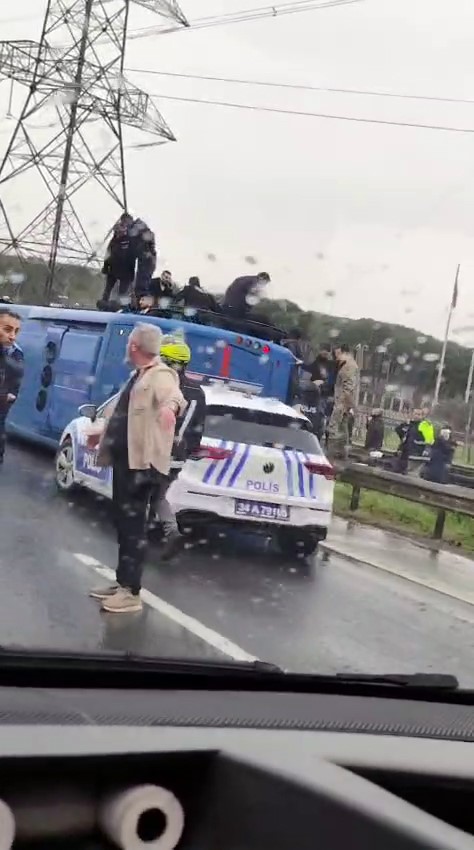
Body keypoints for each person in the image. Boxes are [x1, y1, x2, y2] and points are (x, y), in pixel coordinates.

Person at [88, 323, 186, 613]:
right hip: (126, 460)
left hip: (141, 466)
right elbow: (125, 414)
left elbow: (174, 397)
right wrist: (103, 434)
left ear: (133, 346)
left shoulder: (160, 374)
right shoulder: (138, 375)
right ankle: (122, 583)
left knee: (132, 526)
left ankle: (131, 592)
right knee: (122, 522)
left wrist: (170, 410)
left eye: (128, 341)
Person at [150, 332, 207, 559]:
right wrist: (188, 450)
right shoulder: (198, 392)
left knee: (143, 493)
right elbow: (198, 427)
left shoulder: (161, 385)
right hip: (178, 455)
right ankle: (169, 531)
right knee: (158, 494)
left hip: (155, 450)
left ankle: (160, 533)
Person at [101, 213, 156, 304]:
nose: (122, 230)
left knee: (129, 289)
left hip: (127, 269)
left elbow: (147, 240)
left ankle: (123, 303)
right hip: (114, 267)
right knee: (108, 288)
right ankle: (106, 301)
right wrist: (106, 267)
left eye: (124, 226)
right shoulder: (115, 240)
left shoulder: (133, 235)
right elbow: (109, 253)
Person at [0, 309, 24, 465]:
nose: (13, 336)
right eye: (7, 329)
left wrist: (10, 397)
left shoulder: (16, 353)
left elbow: (16, 381)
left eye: (16, 331)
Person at [327, 344, 358, 460]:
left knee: (333, 430)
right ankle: (341, 456)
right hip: (343, 403)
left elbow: (348, 388)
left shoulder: (349, 366)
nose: (336, 358)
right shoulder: (347, 365)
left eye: (338, 354)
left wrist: (343, 406)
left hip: (342, 404)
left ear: (345, 353)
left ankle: (332, 456)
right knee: (342, 431)